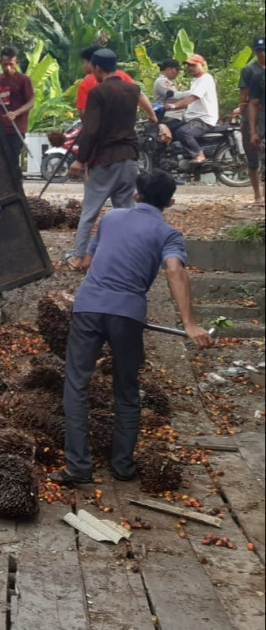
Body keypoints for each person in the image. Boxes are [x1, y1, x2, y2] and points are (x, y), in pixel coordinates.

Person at [50, 171, 214, 486]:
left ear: (136, 195)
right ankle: (122, 466)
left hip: (88, 307)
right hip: (127, 315)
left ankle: (78, 467)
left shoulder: (111, 218)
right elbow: (174, 270)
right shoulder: (169, 234)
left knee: (76, 384)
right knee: (126, 390)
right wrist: (190, 324)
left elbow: (88, 260)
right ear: (170, 202)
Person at [66, 49, 157, 272]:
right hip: (128, 157)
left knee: (89, 212)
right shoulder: (132, 90)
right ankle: (131, 257)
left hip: (104, 159)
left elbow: (91, 130)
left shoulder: (98, 93)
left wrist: (80, 160)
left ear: (97, 68)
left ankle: (79, 257)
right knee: (126, 211)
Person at [164, 54, 218, 164]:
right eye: (188, 66)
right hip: (192, 119)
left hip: (203, 119)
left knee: (183, 132)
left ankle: (199, 155)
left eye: (193, 65)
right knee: (167, 130)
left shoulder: (205, 79)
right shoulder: (195, 81)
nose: (190, 68)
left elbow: (192, 97)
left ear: (202, 65)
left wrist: (175, 106)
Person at [0, 46, 35, 168]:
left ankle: (16, 185)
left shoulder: (23, 80)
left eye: (11, 64)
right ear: (0, 63)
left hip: (15, 130)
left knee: (12, 162)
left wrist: (15, 113)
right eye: (4, 65)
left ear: (16, 62)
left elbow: (31, 102)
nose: (8, 68)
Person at [238, 37, 265, 206]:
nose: (262, 54)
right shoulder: (250, 71)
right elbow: (245, 97)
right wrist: (243, 114)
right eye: (259, 50)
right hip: (254, 115)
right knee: (253, 157)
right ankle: (257, 195)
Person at [76, 45, 136, 113]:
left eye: (84, 62)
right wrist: (150, 114)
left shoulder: (86, 83)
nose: (83, 66)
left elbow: (85, 112)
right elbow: (139, 95)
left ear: (92, 63)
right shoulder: (123, 75)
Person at [153, 59, 187, 127]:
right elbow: (174, 95)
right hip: (168, 114)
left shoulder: (168, 81)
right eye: (177, 70)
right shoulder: (162, 81)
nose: (178, 73)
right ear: (169, 69)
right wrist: (192, 93)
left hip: (173, 113)